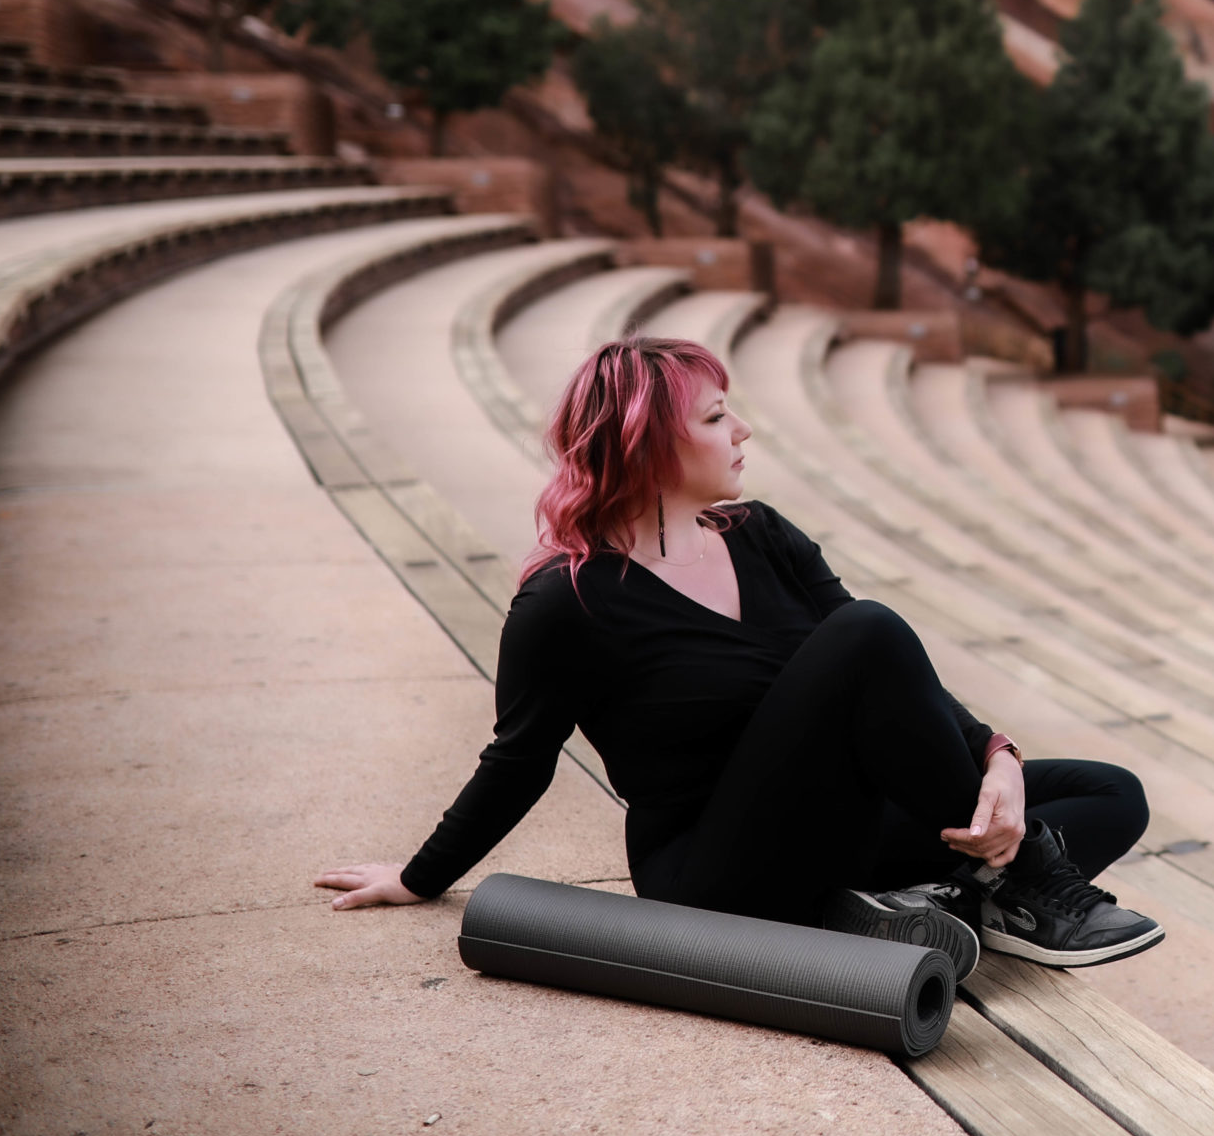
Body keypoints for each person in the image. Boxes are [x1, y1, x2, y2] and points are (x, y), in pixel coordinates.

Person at [315, 337, 1165, 981]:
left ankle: (931, 901)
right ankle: (1018, 882)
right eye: (716, 416)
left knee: (1109, 792)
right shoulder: (566, 602)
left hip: (835, 828)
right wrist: (421, 876)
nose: (743, 429)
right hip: (714, 873)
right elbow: (518, 761)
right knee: (864, 630)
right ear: (649, 444)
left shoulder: (762, 535)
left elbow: (904, 685)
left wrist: (995, 756)